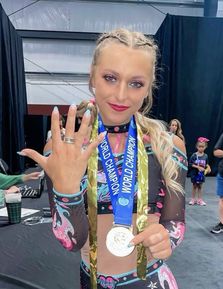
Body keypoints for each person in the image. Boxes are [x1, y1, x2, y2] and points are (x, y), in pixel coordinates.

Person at [18, 28, 187, 289]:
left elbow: (175, 222)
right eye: (110, 78)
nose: (121, 95)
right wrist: (67, 191)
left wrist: (167, 237)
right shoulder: (64, 149)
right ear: (92, 77)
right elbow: (71, 242)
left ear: (148, 88)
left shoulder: (168, 146)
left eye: (135, 83)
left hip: (152, 282)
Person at [188, 137, 211, 206]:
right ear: (197, 147)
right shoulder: (194, 155)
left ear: (205, 147)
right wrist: (197, 167)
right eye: (199, 147)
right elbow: (190, 164)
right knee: (194, 186)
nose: (201, 148)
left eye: (202, 147)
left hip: (201, 174)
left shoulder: (206, 156)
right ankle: (193, 199)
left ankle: (199, 199)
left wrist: (208, 167)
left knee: (200, 186)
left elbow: (206, 164)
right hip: (195, 173)